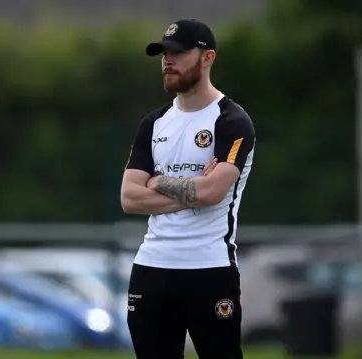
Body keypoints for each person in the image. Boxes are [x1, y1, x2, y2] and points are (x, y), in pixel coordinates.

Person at [120, 19, 255, 359]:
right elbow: (129, 198)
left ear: (207, 58)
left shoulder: (232, 121)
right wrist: (191, 188)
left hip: (209, 270)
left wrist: (157, 181)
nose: (168, 61)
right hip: (151, 269)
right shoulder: (153, 124)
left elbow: (212, 194)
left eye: (178, 53)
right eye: (164, 54)